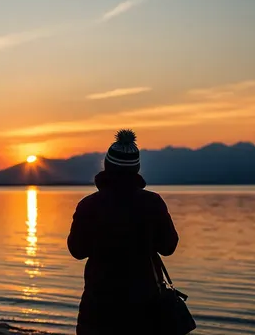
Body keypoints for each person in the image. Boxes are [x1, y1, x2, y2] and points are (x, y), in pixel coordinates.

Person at [67, 129, 179, 334]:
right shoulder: (153, 202)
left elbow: (77, 250)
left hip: (98, 306)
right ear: (136, 169)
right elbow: (169, 246)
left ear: (107, 166)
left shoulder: (89, 205)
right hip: (145, 306)